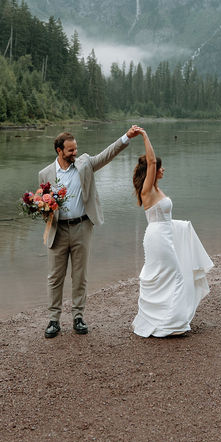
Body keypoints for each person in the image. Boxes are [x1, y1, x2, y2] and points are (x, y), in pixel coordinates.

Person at [39, 126, 142, 338]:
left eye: (75, 149)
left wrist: (126, 137)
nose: (75, 153)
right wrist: (41, 206)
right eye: (70, 150)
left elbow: (107, 154)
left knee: (80, 276)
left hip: (82, 228)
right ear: (59, 151)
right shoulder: (45, 174)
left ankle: (78, 317)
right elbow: (43, 203)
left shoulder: (85, 163)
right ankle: (54, 320)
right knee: (55, 277)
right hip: (57, 231)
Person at [131, 128, 214, 337]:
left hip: (164, 234)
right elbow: (150, 161)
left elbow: (163, 216)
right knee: (174, 275)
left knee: (167, 276)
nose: (163, 169)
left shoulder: (157, 190)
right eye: (161, 167)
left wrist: (180, 226)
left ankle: (166, 321)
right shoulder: (147, 190)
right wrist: (144, 135)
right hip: (157, 238)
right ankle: (171, 325)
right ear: (154, 170)